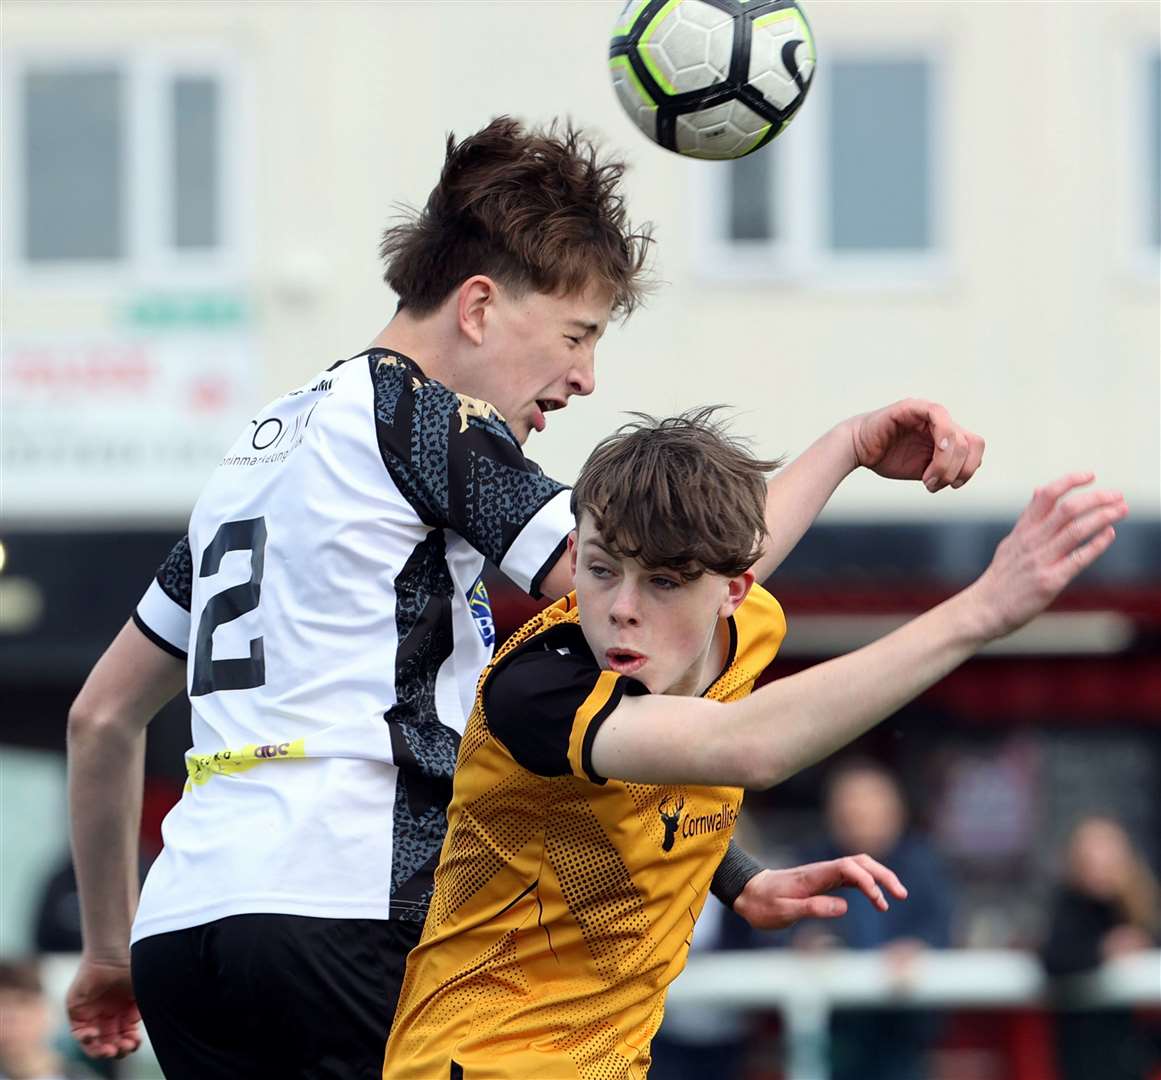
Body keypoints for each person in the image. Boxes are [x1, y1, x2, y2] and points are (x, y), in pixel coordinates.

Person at [65, 117, 987, 1077]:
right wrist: (842, 446)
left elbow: (100, 717)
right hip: (348, 904)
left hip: (183, 935)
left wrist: (105, 949)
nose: (585, 376)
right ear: (476, 308)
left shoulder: (255, 456)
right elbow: (675, 571)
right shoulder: (422, 419)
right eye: (577, 334)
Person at [384, 411, 1124, 1079]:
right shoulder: (540, 689)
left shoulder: (734, 626)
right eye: (601, 570)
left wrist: (851, 443)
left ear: (731, 591)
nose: (621, 611)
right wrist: (982, 611)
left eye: (664, 582)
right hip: (480, 1062)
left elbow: (734, 556)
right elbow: (748, 745)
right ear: (573, 553)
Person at [792, 760, 953, 1080]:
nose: (858, 818)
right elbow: (775, 926)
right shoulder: (810, 864)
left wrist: (918, 947)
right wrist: (805, 939)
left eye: (868, 809)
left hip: (903, 1026)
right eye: (849, 809)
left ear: (895, 813)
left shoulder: (924, 864)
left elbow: (941, 927)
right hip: (834, 1025)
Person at [1042, 815, 1161, 1080]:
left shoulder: (1140, 907)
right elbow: (1054, 958)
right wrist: (1105, 950)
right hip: (1083, 1050)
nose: (1099, 869)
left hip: (1132, 1050)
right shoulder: (1070, 905)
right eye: (1091, 860)